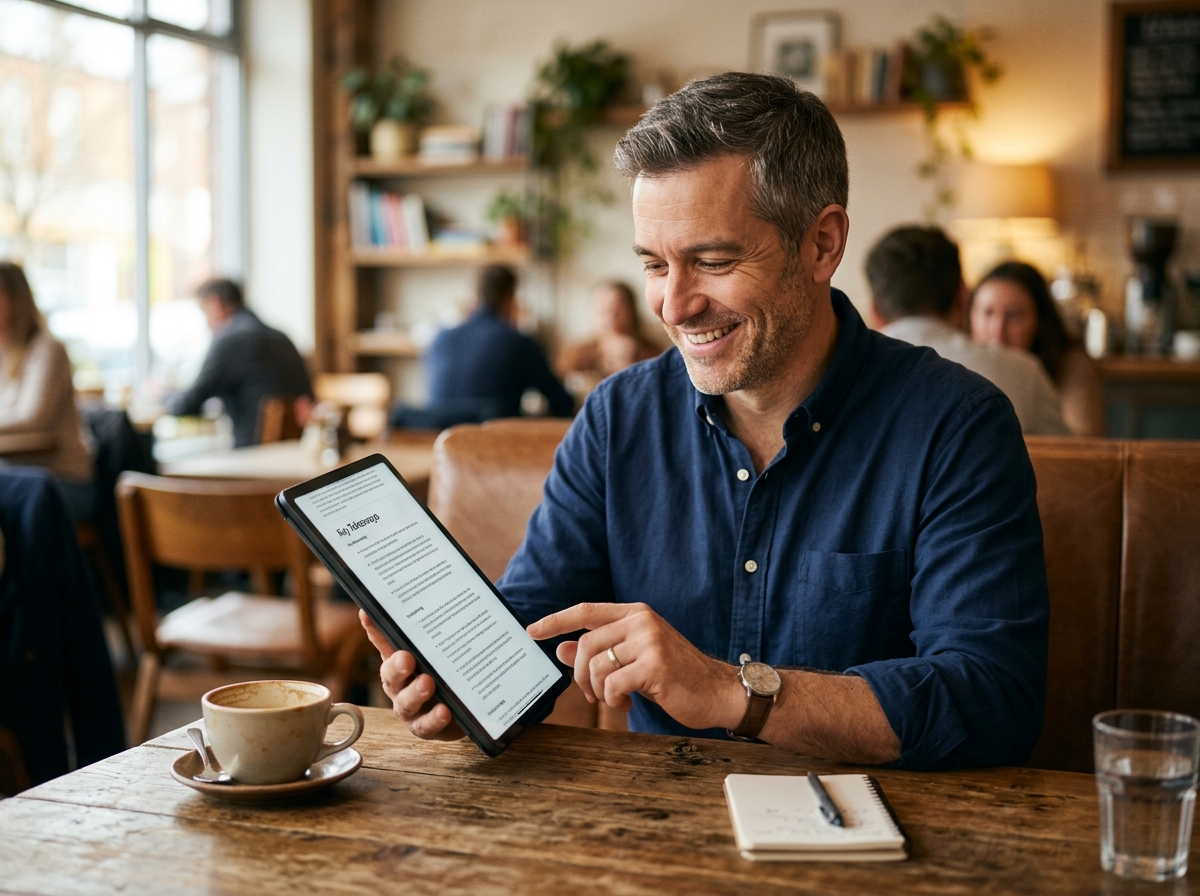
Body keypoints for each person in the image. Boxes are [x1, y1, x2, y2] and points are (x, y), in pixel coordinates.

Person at [363, 73, 1049, 770]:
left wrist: (730, 692)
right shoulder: (617, 417)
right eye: (654, 265)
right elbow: (535, 632)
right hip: (656, 833)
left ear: (822, 244)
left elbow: (992, 701)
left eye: (713, 262)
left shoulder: (957, 425)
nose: (673, 305)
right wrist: (460, 683)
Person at [864, 227, 1071, 437]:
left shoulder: (842, 376)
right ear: (963, 295)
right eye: (988, 313)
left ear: (875, 310)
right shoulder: (1025, 373)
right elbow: (1069, 462)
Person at [393, 265, 573, 428]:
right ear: (511, 298)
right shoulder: (518, 342)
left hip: (434, 446)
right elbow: (562, 404)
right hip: (491, 451)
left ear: (475, 296)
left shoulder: (440, 338)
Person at [167, 278, 313, 448]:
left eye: (203, 311)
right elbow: (308, 396)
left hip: (250, 454)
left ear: (215, 304)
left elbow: (188, 404)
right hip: (293, 451)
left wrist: (164, 397)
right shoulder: (282, 337)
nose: (206, 323)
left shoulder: (229, 341)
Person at [0, 261, 95, 521]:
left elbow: (33, 416)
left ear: (16, 300)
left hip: (61, 480)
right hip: (18, 472)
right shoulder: (4, 352)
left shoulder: (47, 350)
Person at [971, 261, 1104, 436]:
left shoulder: (1071, 365)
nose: (998, 330)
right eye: (988, 313)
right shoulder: (961, 364)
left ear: (1040, 320)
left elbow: (1083, 447)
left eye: (1014, 315)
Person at [556, 280, 663, 399]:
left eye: (617, 307)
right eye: (602, 308)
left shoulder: (654, 356)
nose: (610, 315)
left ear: (631, 310)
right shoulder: (575, 354)